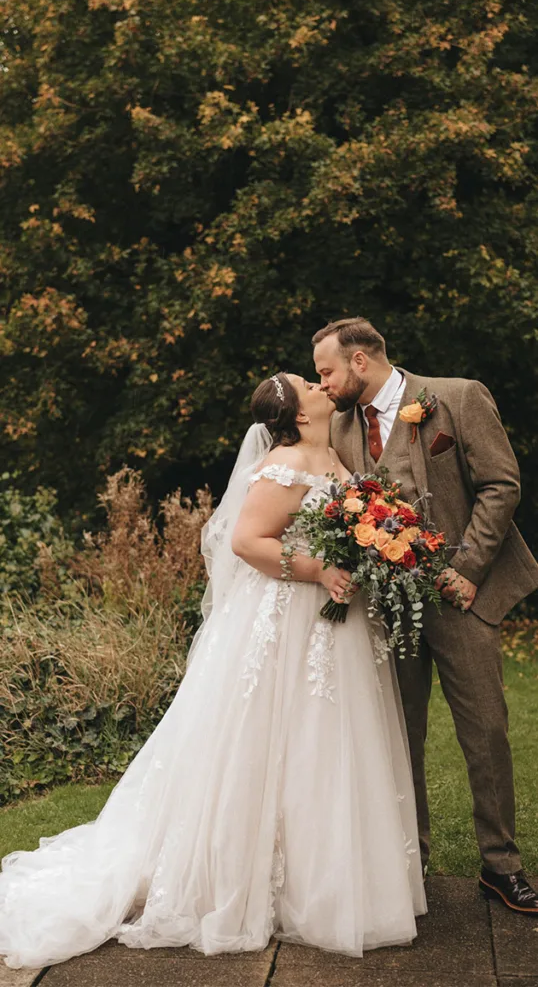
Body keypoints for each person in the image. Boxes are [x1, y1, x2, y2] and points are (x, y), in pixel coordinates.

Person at [0, 372, 426, 970]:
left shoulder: (330, 450)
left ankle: (322, 882)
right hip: (286, 618)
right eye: (308, 382)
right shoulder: (284, 465)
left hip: (331, 623)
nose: (317, 383)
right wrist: (320, 573)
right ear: (298, 414)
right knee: (268, 739)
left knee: (323, 743)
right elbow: (247, 541)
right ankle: (241, 880)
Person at [313, 316, 538, 915]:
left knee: (485, 730)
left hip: (461, 596)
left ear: (360, 361)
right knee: (395, 735)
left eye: (328, 372)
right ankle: (409, 864)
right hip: (388, 606)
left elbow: (501, 484)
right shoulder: (336, 425)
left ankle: (501, 866)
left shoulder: (457, 398)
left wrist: (466, 568)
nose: (324, 385)